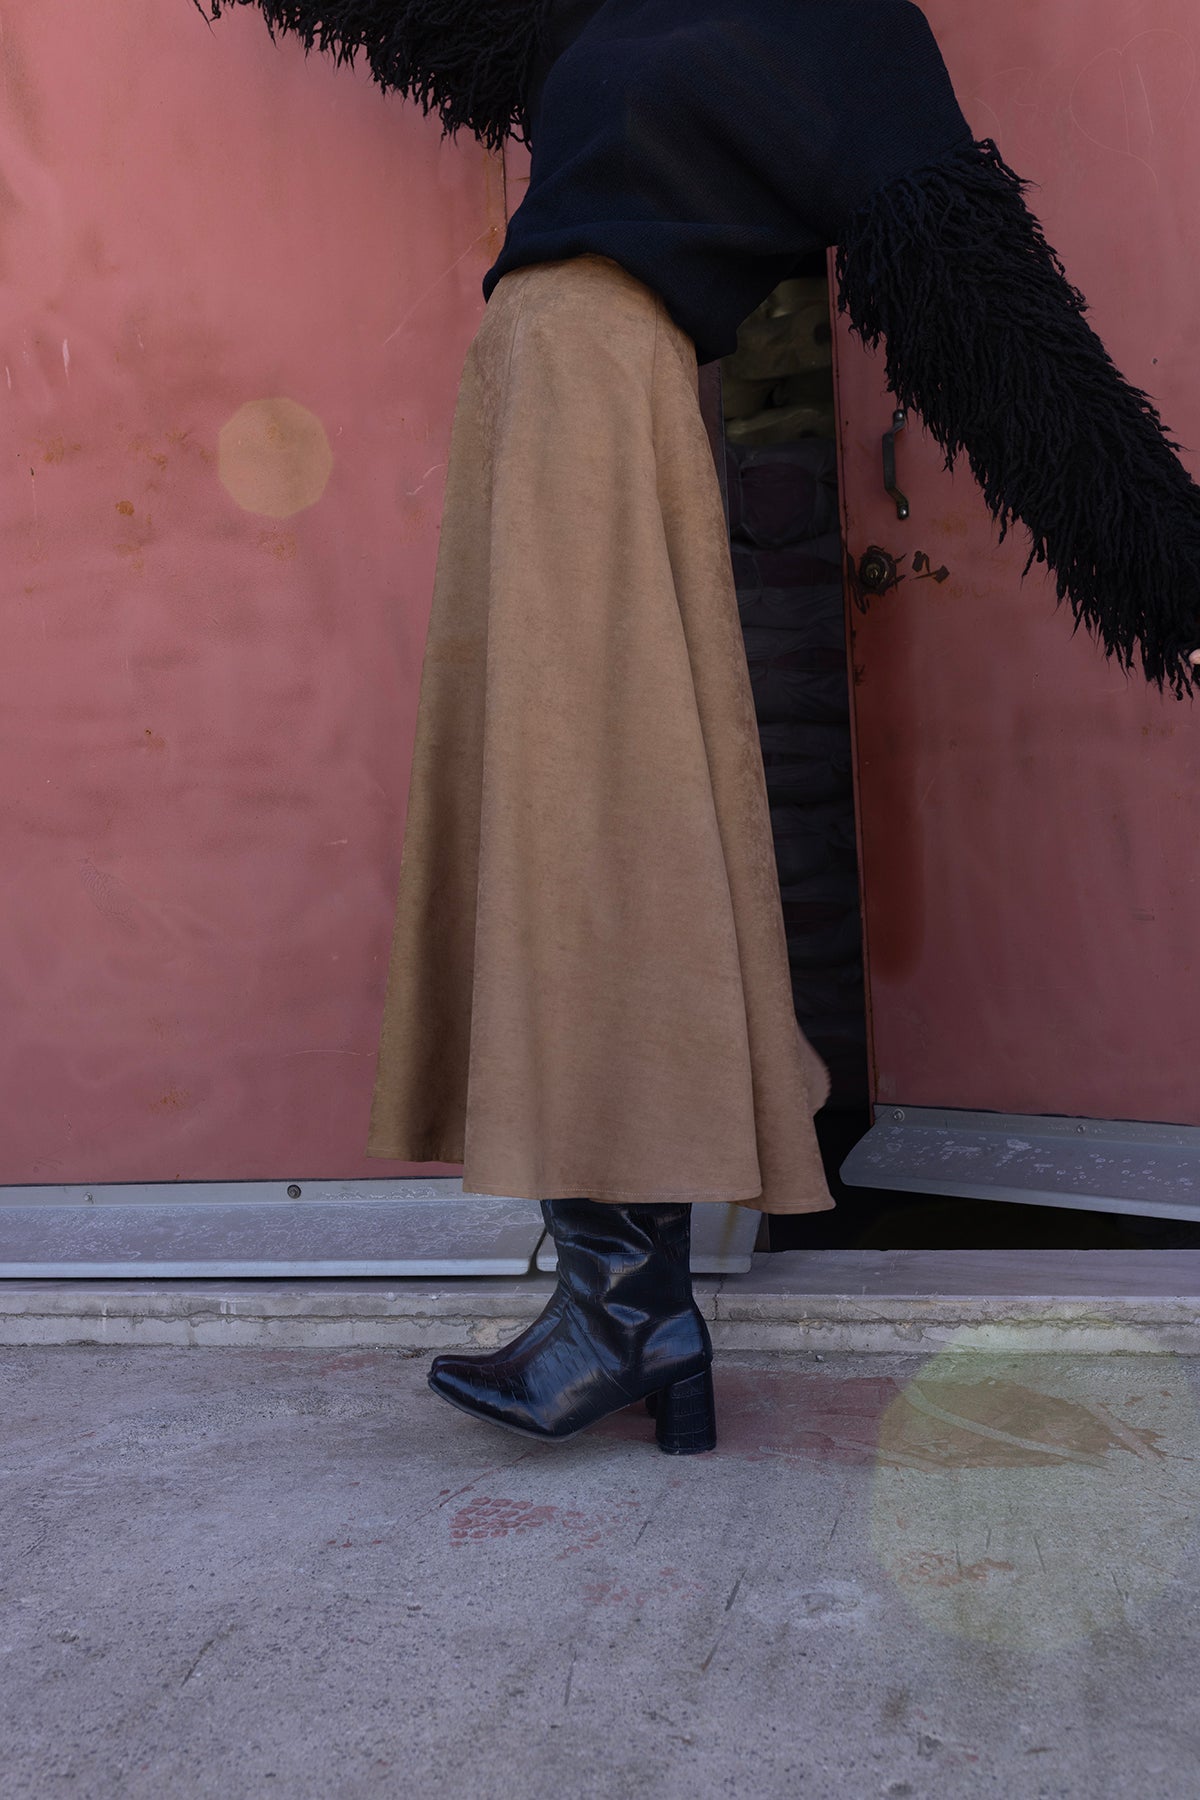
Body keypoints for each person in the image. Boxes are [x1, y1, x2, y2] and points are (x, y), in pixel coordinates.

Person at [198, 0, 1200, 1455]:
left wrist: (1171, 576)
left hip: (605, 397)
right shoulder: (613, 6)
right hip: (533, 395)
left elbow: (996, 322)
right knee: (563, 829)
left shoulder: (854, 31)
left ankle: (625, 1313)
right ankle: (625, 1308)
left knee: (595, 826)